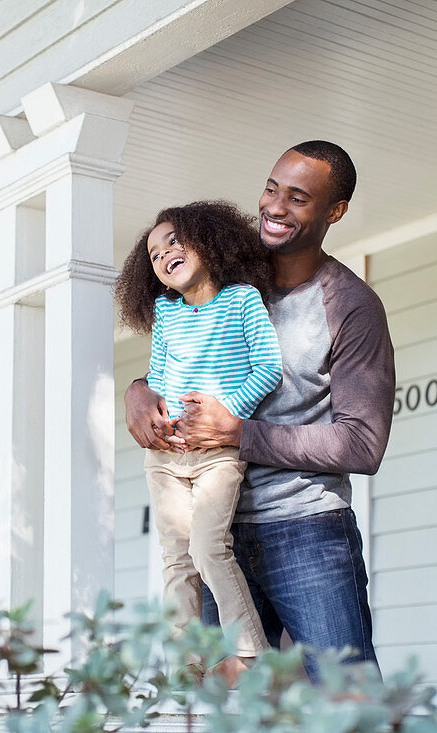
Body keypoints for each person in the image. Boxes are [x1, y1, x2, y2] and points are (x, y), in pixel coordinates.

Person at [124, 141, 395, 683]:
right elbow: (182, 364)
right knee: (229, 702)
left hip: (305, 531)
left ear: (334, 211)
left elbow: (362, 444)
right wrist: (137, 392)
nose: (274, 207)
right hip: (213, 527)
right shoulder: (222, 274)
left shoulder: (350, 305)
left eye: (298, 198)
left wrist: (240, 433)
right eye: (272, 189)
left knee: (347, 701)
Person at [114, 201, 283, 686]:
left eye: (174, 241)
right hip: (166, 457)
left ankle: (251, 654)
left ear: (209, 243)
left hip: (217, 454)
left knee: (210, 549)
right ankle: (183, 668)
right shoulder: (167, 313)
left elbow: (268, 368)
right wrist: (159, 419)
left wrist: (226, 413)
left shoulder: (243, 300)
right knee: (176, 561)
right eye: (153, 253)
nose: (164, 253)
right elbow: (161, 376)